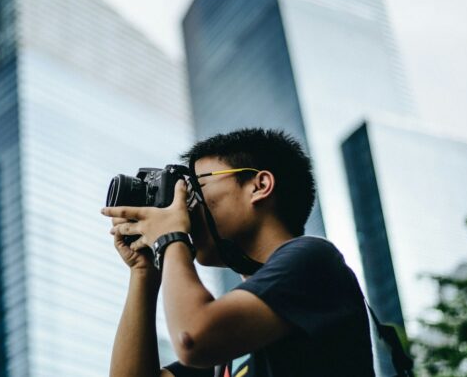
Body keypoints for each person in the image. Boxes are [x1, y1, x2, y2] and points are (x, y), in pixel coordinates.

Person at [101, 128, 375, 377]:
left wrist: (170, 237)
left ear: (259, 186)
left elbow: (192, 337)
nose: (186, 205)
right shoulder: (230, 335)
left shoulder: (314, 259)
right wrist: (144, 272)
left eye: (197, 187)